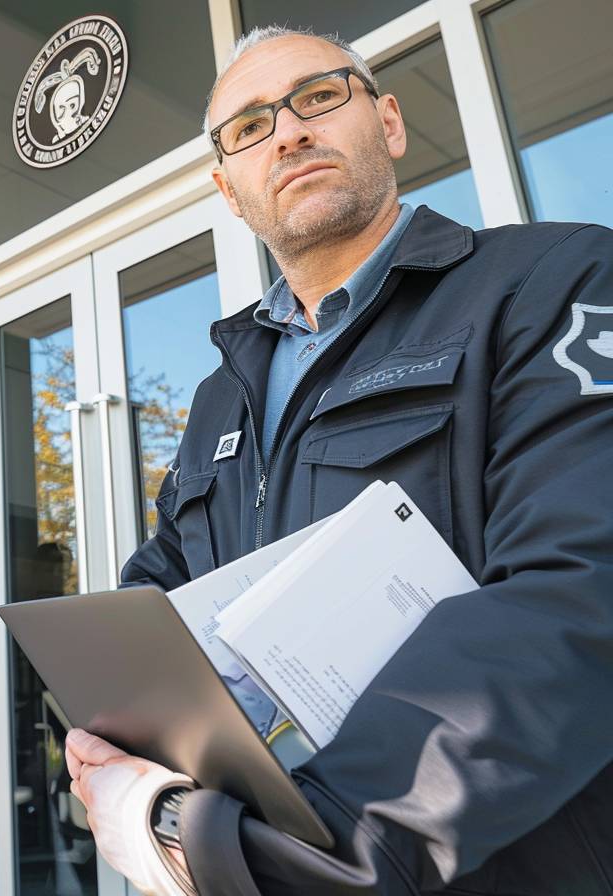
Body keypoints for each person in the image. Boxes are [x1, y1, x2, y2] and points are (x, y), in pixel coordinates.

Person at [64, 24, 613, 896]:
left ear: (388, 122)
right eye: (249, 127)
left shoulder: (554, 281)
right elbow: (162, 582)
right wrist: (113, 724)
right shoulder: (222, 392)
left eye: (317, 97)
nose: (287, 132)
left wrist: (283, 855)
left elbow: (578, 599)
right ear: (228, 189)